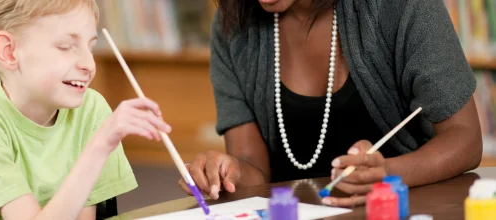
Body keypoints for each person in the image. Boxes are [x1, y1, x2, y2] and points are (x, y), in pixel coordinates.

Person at [179, 0, 482, 207]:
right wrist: (228, 171)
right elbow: (253, 169)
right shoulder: (233, 22)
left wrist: (389, 172)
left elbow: (466, 138)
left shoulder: (401, 6)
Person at [0, 0, 172, 219]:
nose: (89, 64)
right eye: (66, 46)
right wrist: (99, 146)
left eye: (91, 46)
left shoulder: (91, 109)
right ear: (9, 51)